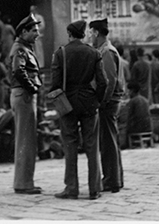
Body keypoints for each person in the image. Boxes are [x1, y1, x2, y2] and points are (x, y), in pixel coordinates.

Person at [51, 20, 107, 201]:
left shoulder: (61, 53)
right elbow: (103, 81)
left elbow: (55, 84)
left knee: (70, 145)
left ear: (69, 34)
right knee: (92, 146)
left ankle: (71, 188)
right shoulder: (94, 52)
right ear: (83, 35)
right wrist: (97, 99)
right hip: (89, 103)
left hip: (68, 104)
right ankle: (94, 188)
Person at [89, 18, 124, 194]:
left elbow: (109, 81)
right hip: (109, 101)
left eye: (91, 33)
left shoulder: (107, 52)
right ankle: (115, 178)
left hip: (109, 102)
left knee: (108, 141)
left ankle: (112, 180)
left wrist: (102, 101)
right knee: (110, 139)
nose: (89, 36)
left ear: (96, 33)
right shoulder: (103, 50)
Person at [9, 14, 43, 194]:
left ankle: (25, 181)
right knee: (25, 140)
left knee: (26, 140)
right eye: (34, 31)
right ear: (24, 31)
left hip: (23, 95)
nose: (38, 34)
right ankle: (23, 183)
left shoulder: (23, 47)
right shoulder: (20, 49)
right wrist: (32, 88)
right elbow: (18, 70)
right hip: (24, 96)